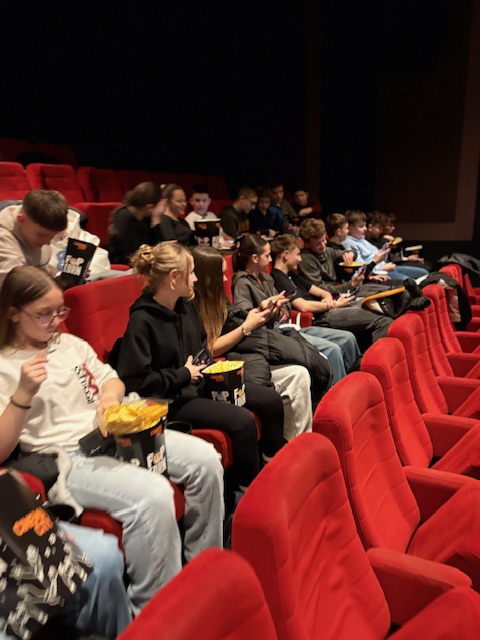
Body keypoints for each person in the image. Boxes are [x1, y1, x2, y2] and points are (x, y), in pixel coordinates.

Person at [0, 265, 224, 614]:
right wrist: (23, 394)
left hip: (114, 431)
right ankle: (158, 615)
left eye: (60, 311)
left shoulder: (69, 344)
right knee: (153, 497)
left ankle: (204, 569)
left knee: (206, 460)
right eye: (44, 314)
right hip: (66, 455)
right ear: (14, 313)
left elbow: (112, 379)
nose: (56, 321)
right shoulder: (6, 364)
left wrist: (107, 398)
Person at [116, 242, 285, 488]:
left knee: (270, 400)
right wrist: (183, 374)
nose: (196, 278)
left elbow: (203, 347)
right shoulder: (142, 320)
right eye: (192, 272)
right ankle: (248, 490)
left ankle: (275, 468)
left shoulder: (186, 306)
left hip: (199, 383)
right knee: (242, 421)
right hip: (171, 400)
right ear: (174, 277)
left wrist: (207, 367)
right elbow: (136, 382)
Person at [192, 245, 312, 441]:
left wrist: (261, 310)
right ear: (206, 278)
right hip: (223, 371)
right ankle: (283, 448)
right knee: (293, 375)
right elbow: (208, 351)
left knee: (300, 373)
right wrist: (245, 328)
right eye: (220, 275)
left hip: (240, 356)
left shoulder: (218, 299)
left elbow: (236, 321)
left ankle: (300, 443)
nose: (225, 280)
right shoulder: (190, 308)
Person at [231, 235, 359, 385]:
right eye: (267, 256)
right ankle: (336, 393)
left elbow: (285, 304)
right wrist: (267, 310)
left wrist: (281, 310)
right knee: (332, 349)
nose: (270, 260)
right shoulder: (242, 282)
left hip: (285, 327)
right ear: (254, 258)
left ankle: (352, 384)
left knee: (346, 338)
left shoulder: (266, 279)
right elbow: (244, 315)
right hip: (269, 335)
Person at [269, 234, 393, 346]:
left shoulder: (292, 275)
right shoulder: (278, 278)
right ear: (286, 255)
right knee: (383, 320)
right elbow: (303, 306)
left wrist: (329, 300)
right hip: (320, 316)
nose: (300, 259)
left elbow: (323, 292)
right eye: (297, 254)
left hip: (328, 308)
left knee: (377, 307)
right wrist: (332, 305)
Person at [300, 217, 392, 292]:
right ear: (307, 244)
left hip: (343, 288)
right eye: (318, 243)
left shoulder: (328, 251)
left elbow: (353, 253)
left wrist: (351, 253)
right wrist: (349, 286)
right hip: (332, 295)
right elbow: (319, 288)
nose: (323, 245)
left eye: (324, 240)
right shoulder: (306, 258)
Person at [0, 190, 68, 290]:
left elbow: (39, 273)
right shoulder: (3, 241)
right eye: (42, 235)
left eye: (52, 236)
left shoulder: (31, 226)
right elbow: (15, 289)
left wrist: (58, 281)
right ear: (21, 220)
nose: (47, 242)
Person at [343, 210, 428, 280]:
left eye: (365, 226)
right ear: (350, 228)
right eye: (361, 226)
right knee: (410, 282)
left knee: (424, 273)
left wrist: (384, 251)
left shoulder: (362, 239)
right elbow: (360, 267)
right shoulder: (349, 243)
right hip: (379, 271)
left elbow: (379, 255)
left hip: (386, 266)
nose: (365, 229)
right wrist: (381, 268)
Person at [108, 181, 166, 265]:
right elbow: (131, 255)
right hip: (125, 264)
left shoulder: (146, 217)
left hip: (144, 261)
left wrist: (156, 221)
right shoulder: (124, 217)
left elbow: (160, 247)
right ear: (149, 207)